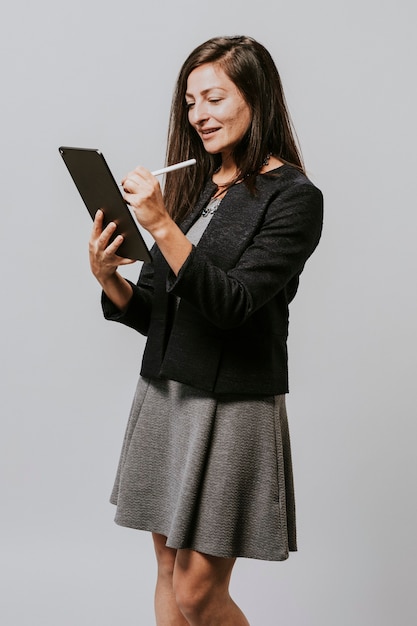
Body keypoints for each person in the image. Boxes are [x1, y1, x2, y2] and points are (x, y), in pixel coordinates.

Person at [89, 35, 323, 626]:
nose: (198, 115)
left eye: (214, 98)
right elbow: (156, 312)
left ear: (256, 97)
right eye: (191, 101)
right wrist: (109, 278)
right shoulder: (198, 185)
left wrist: (163, 225)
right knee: (167, 571)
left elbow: (234, 303)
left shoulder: (295, 198)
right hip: (167, 393)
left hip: (233, 403)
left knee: (197, 591)